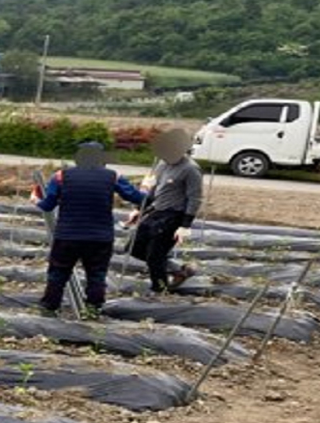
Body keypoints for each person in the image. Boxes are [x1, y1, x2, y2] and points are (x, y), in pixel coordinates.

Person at [32, 142, 145, 318]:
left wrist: (35, 199)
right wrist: (151, 191)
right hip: (100, 237)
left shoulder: (61, 176)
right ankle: (93, 309)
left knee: (58, 273)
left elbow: (48, 206)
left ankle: (49, 308)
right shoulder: (112, 176)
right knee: (96, 275)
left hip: (67, 235)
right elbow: (136, 197)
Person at [127, 128, 204, 293]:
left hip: (174, 216)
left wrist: (185, 225)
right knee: (133, 247)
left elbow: (195, 198)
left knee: (155, 256)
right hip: (156, 212)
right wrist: (139, 209)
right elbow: (154, 190)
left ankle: (159, 289)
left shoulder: (191, 169)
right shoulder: (162, 164)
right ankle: (179, 270)